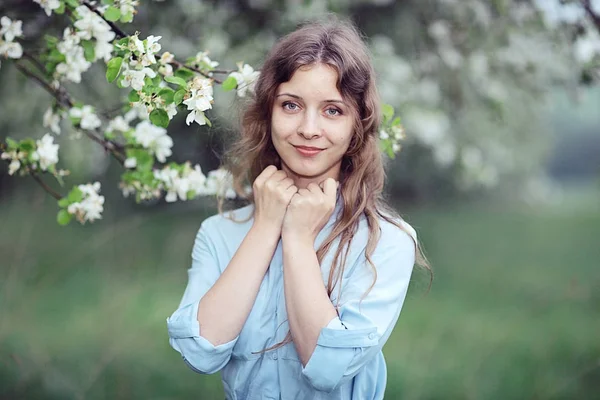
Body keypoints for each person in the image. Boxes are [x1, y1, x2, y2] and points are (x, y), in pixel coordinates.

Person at [166, 17, 430, 400]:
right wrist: (266, 226)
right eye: (291, 105)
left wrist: (298, 237)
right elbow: (199, 352)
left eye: (332, 111)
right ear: (268, 113)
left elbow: (328, 368)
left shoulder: (386, 242)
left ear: (358, 123)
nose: (308, 128)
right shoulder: (220, 233)